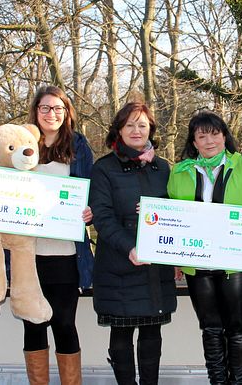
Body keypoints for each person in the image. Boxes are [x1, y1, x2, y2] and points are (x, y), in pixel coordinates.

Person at [167, 111, 242, 385]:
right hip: (196, 263)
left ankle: (238, 382)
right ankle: (217, 381)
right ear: (194, 141)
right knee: (210, 328)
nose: (209, 140)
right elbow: (173, 216)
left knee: (237, 326)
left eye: (214, 134)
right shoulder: (180, 172)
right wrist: (173, 254)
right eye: (202, 135)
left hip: (237, 261)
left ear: (225, 136)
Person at [89, 100, 176, 385]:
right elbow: (102, 216)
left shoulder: (163, 168)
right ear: (119, 130)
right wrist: (130, 247)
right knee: (121, 334)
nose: (136, 131)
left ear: (151, 128)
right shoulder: (104, 168)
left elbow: (178, 211)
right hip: (118, 262)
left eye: (142, 125)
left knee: (153, 334)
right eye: (129, 125)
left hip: (155, 265)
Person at [22, 86, 94, 385]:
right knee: (33, 326)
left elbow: (91, 189)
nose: (51, 114)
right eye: (45, 108)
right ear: (35, 111)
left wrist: (90, 209)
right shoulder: (21, 143)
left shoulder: (78, 145)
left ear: (66, 113)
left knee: (64, 324)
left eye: (58, 109)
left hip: (66, 253)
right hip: (28, 254)